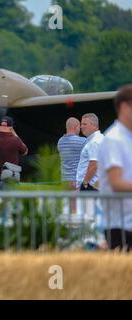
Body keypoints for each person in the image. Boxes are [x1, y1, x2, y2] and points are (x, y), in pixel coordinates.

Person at [98, 84, 132, 251]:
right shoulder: (114, 138)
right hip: (121, 225)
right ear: (124, 106)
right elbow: (116, 183)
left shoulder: (127, 137)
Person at [0, 116, 28, 190]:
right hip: (10, 180)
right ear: (11, 128)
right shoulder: (16, 140)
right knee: (9, 201)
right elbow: (25, 152)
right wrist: (15, 134)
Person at [76, 113, 104, 191]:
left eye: (85, 124)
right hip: (96, 186)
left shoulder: (94, 142)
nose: (81, 126)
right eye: (81, 124)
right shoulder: (100, 138)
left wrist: (84, 184)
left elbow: (93, 165)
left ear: (94, 126)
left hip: (90, 187)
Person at [57, 117, 86, 189]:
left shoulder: (60, 141)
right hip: (76, 180)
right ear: (76, 127)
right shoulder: (82, 141)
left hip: (64, 180)